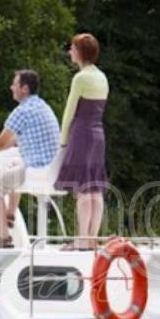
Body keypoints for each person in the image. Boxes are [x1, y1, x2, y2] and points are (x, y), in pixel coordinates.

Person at [0, 69, 60, 248]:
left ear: (24, 89)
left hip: (37, 170)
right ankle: (8, 215)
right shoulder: (42, 106)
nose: (11, 87)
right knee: (12, 171)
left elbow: (0, 143)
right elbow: (10, 142)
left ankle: (2, 237)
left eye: (15, 84)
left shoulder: (22, 111)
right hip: (52, 169)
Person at [55, 33, 109, 250]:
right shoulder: (102, 77)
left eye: (73, 48)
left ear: (80, 52)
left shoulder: (80, 78)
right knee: (95, 187)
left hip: (82, 133)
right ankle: (91, 238)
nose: (70, 51)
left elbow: (70, 110)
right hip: (98, 133)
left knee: (83, 189)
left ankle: (81, 239)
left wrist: (63, 140)